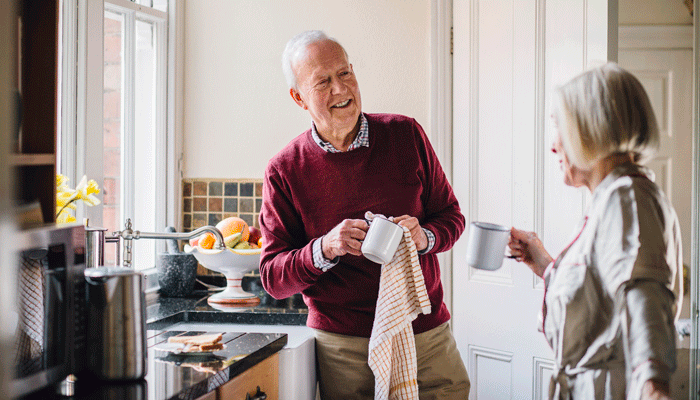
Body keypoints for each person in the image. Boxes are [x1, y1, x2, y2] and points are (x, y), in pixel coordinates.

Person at [259, 30, 470, 399]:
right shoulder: (284, 170)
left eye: (345, 73)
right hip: (344, 345)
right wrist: (324, 248)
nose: (341, 90)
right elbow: (273, 278)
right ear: (299, 97)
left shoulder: (405, 134)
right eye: (323, 82)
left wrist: (425, 237)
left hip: (425, 332)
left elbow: (451, 216)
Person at [508, 62, 682, 400]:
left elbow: (643, 296)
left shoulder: (626, 198)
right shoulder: (612, 198)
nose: (554, 146)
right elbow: (602, 298)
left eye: (559, 126)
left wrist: (654, 386)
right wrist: (545, 265)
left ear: (590, 129)